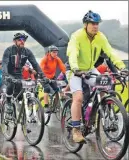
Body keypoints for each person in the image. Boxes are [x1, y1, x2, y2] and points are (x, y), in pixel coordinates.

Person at [66, 10, 127, 143]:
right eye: (93, 23)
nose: (95, 26)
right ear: (86, 24)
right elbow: (72, 52)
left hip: (89, 69)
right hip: (74, 69)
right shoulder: (77, 36)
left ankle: (98, 112)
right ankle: (76, 131)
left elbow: (110, 52)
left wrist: (122, 67)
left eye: (97, 24)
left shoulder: (101, 37)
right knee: (78, 97)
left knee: (105, 84)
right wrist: (76, 68)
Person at [2, 32, 47, 121]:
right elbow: (4, 63)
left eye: (23, 40)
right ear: (14, 41)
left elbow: (35, 64)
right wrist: (6, 75)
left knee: (21, 92)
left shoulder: (27, 52)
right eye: (20, 40)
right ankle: (8, 103)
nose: (22, 41)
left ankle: (21, 112)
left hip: (19, 74)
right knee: (10, 85)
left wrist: (42, 75)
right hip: (9, 73)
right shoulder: (8, 50)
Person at [40, 45, 66, 113]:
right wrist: (44, 77)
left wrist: (66, 74)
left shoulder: (57, 59)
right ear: (49, 52)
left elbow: (62, 67)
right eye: (54, 52)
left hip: (52, 77)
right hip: (44, 77)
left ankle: (56, 105)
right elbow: (40, 69)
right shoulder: (45, 59)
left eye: (56, 52)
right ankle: (46, 106)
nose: (55, 54)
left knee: (57, 90)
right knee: (47, 89)